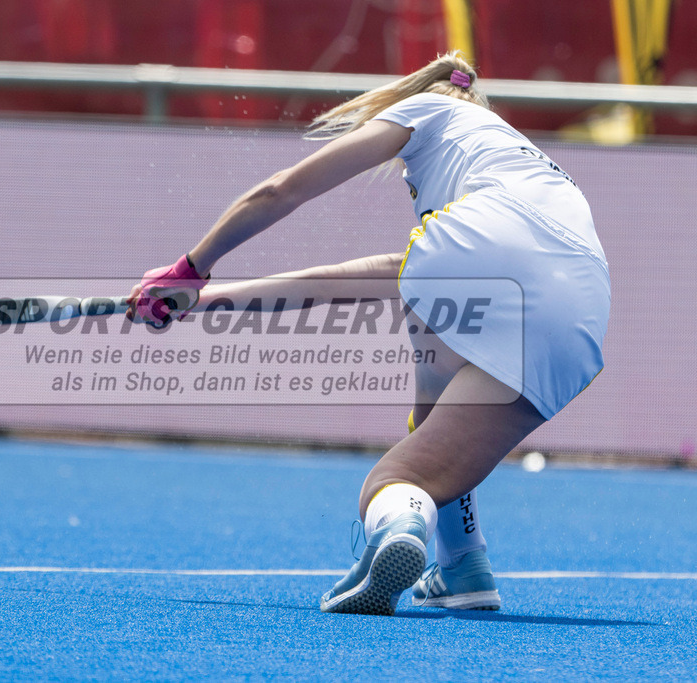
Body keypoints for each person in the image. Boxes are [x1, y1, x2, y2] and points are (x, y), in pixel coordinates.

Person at [127, 51, 610, 616]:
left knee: (397, 474)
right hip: (582, 312)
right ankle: (464, 565)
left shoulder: (429, 109)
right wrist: (205, 302)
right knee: (429, 442)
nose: (410, 185)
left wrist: (190, 269)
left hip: (473, 263)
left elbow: (281, 191)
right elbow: (360, 280)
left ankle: (403, 516)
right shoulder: (520, 168)